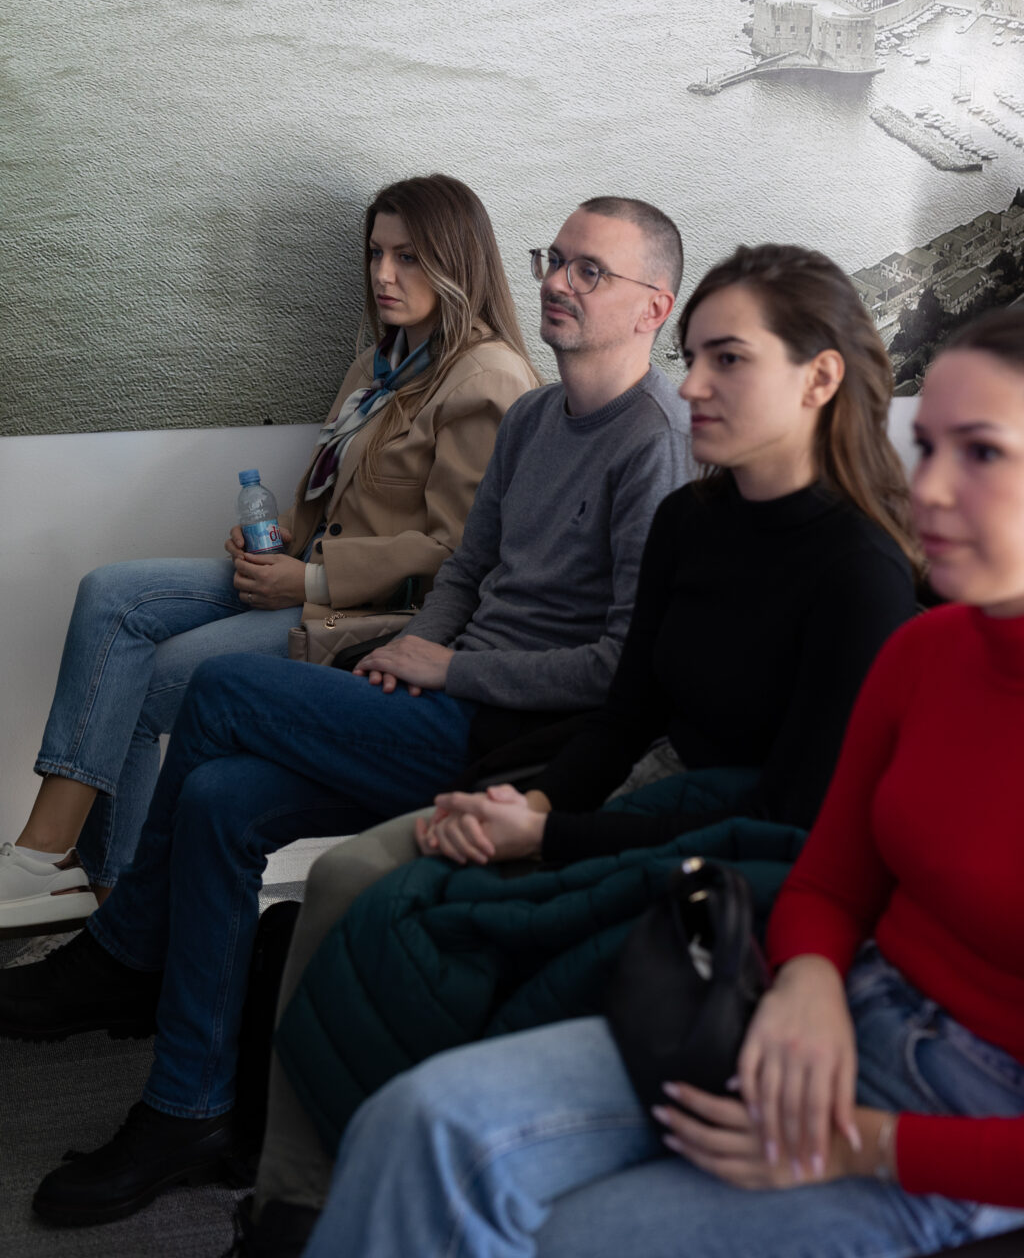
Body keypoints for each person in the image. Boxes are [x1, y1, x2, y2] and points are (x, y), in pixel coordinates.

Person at [1, 195, 694, 1227]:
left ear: (653, 307)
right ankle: (188, 1107)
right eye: (555, 259)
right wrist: (414, 654)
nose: (557, 280)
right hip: (443, 695)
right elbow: (465, 571)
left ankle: (123, 948)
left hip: (516, 743)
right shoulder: (535, 417)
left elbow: (620, 670)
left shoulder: (655, 446)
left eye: (590, 270)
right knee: (220, 799)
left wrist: (447, 669)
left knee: (220, 686)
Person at [238, 242, 920, 1257]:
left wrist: (550, 838)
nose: (692, 385)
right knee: (346, 879)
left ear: (819, 378)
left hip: (728, 852)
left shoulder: (861, 573)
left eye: (728, 359)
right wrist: (541, 805)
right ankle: (291, 1210)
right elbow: (626, 711)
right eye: (693, 356)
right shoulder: (692, 519)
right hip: (629, 791)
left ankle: (380, 1193)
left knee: (409, 916)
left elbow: (787, 817)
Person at [0, 172, 537, 932]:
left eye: (409, 257)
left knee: (141, 683)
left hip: (370, 613)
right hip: (304, 571)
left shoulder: (486, 378)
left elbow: (457, 551)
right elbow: (343, 493)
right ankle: (61, 860)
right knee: (110, 593)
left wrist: (310, 579)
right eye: (376, 253)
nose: (384, 275)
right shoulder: (381, 361)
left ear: (459, 261)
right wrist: (279, 531)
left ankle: (114, 900)